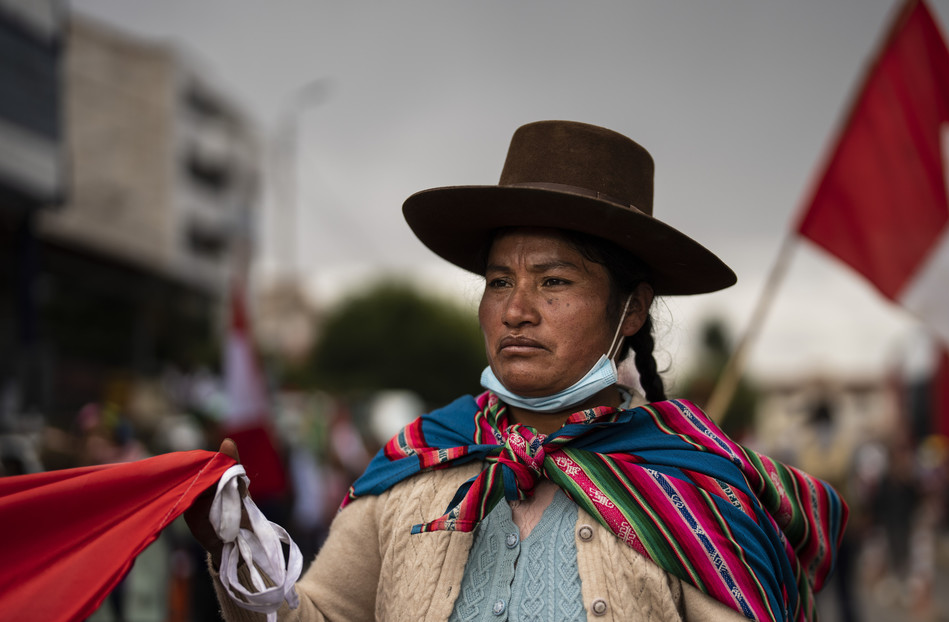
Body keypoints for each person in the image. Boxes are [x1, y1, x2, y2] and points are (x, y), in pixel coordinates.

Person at [187, 120, 848, 621]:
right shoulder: (415, 467)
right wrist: (241, 560)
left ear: (633, 310)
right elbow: (315, 615)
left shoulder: (695, 491)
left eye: (554, 281)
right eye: (499, 281)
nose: (518, 309)